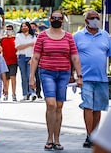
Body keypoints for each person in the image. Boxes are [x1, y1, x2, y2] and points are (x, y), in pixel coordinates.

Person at [29, 10, 83, 151]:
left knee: (59, 106)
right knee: (51, 104)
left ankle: (57, 140)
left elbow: (75, 57)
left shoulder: (68, 37)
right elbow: (35, 57)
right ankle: (49, 138)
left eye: (59, 18)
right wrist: (31, 77)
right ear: (50, 19)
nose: (57, 20)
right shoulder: (42, 36)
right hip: (47, 73)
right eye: (54, 18)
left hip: (63, 74)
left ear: (63, 21)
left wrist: (79, 75)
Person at [73, 10, 111, 148]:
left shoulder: (106, 35)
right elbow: (73, 56)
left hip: (101, 78)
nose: (95, 19)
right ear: (86, 21)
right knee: (88, 106)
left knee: (98, 108)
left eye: (97, 17)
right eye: (92, 18)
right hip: (85, 78)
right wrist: (73, 75)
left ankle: (95, 135)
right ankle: (89, 135)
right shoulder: (78, 36)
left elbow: (109, 54)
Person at [15, 22, 37, 101]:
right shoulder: (18, 36)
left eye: (25, 26)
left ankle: (32, 92)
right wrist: (29, 44)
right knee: (23, 77)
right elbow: (18, 47)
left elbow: (36, 48)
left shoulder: (33, 36)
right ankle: (25, 94)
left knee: (30, 75)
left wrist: (32, 58)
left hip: (30, 57)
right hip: (21, 57)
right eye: (22, 26)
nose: (24, 28)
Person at [0, 24, 18, 101]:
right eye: (7, 29)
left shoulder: (15, 39)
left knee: (13, 77)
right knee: (6, 79)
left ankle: (14, 94)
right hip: (5, 62)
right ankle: (5, 93)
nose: (8, 31)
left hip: (14, 61)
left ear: (13, 31)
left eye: (10, 29)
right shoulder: (2, 40)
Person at [30, 22, 42, 99]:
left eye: (34, 27)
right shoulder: (27, 36)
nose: (32, 29)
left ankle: (38, 92)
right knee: (30, 76)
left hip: (38, 59)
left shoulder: (39, 36)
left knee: (38, 77)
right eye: (31, 27)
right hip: (29, 57)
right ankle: (31, 92)